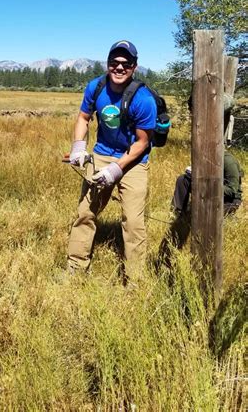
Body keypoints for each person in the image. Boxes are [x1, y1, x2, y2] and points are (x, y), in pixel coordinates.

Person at [67, 40, 157, 281]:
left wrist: (116, 170)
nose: (119, 67)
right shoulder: (95, 87)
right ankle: (75, 269)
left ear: (134, 67)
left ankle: (135, 281)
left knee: (133, 222)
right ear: (107, 64)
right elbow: (84, 118)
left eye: (125, 63)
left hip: (134, 160)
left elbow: (142, 142)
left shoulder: (144, 99)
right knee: (85, 213)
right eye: (113, 62)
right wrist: (78, 147)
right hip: (101, 154)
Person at [172, 152, 243, 217]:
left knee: (205, 217)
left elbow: (232, 190)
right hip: (208, 192)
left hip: (227, 199)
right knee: (183, 179)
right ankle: (177, 211)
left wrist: (210, 185)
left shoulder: (228, 161)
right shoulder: (204, 156)